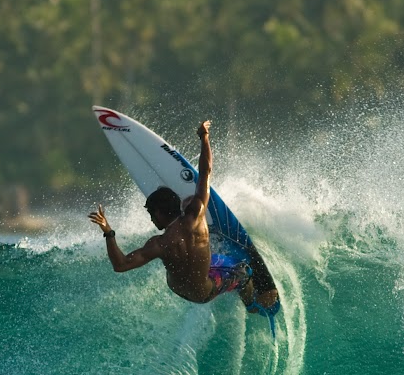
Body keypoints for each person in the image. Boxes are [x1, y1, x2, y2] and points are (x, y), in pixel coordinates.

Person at [88, 119, 279, 313]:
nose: (151, 219)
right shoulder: (196, 215)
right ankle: (251, 303)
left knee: (212, 263)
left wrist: (108, 232)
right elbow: (205, 173)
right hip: (207, 290)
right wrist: (204, 138)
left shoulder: (159, 244)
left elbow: (120, 265)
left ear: (160, 212)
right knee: (243, 272)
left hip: (184, 293)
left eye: (151, 214)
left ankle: (239, 293)